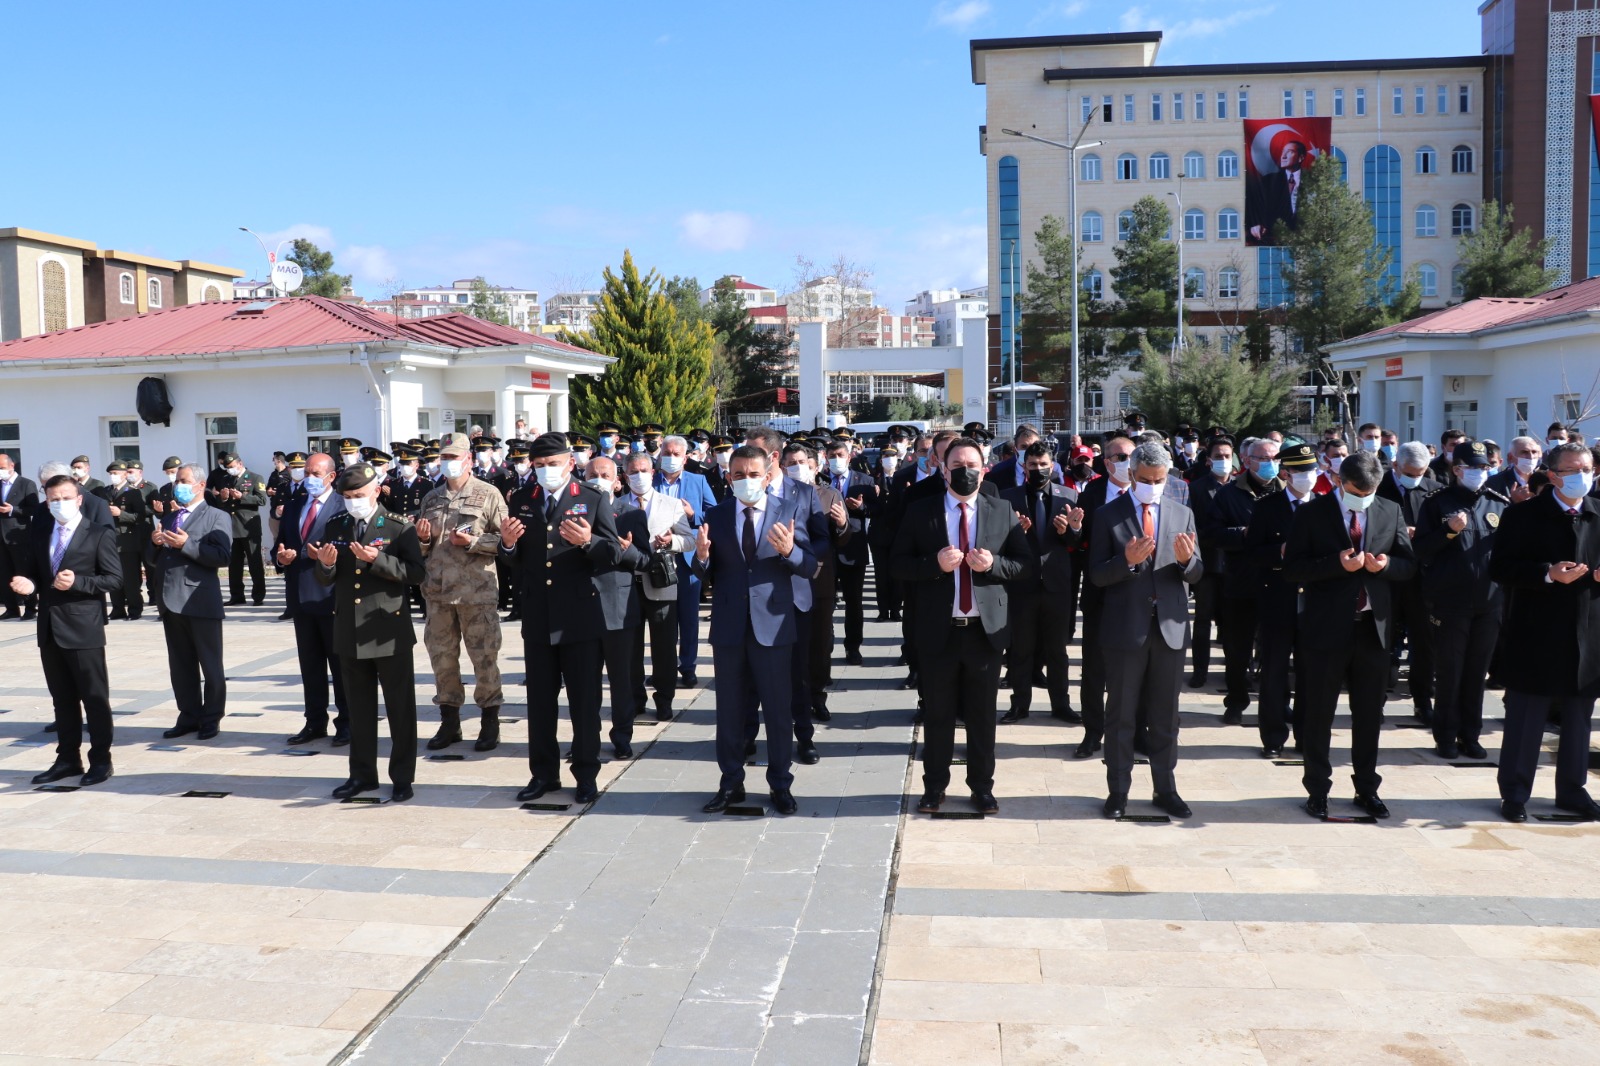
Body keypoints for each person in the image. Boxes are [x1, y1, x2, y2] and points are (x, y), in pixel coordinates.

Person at [894, 437, 1029, 816]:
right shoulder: (922, 511)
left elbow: (1024, 565)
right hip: (939, 632)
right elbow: (897, 564)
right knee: (938, 716)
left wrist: (994, 566)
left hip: (984, 633)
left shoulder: (1002, 510)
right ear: (942, 467)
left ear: (984, 468)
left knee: (982, 718)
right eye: (957, 465)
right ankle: (934, 788)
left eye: (973, 464)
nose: (965, 471)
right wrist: (933, 564)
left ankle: (981, 788)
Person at [1283, 451, 1415, 820]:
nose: (1365, 497)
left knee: (1370, 715)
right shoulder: (1312, 513)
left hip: (1373, 630)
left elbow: (1408, 565)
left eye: (1370, 491)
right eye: (1358, 490)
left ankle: (1366, 788)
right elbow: (1292, 569)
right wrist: (1335, 565)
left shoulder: (1389, 509)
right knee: (1319, 714)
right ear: (1340, 481)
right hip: (1326, 629)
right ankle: (1317, 789)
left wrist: (1387, 565)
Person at [693, 444, 815, 816]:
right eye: (739, 475)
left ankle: (781, 784)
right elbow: (706, 574)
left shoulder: (788, 510)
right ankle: (730, 783)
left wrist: (791, 550)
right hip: (730, 628)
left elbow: (810, 567)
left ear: (767, 474)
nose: (746, 481)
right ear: (729, 477)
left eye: (753, 474)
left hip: (774, 626)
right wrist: (701, 558)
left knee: (778, 712)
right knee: (729, 711)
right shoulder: (717, 513)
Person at [502, 433, 622, 804]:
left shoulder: (591, 498)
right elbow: (515, 560)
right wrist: (506, 544)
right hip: (539, 616)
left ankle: (586, 774)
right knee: (540, 703)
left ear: (570, 464)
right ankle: (543, 775)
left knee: (584, 704)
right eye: (539, 466)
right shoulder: (522, 500)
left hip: (579, 618)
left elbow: (614, 554)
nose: (545, 471)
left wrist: (589, 542)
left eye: (553, 464)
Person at [1089, 441, 1204, 820]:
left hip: (1169, 628)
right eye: (1146, 479)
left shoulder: (1182, 513)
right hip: (1126, 629)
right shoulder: (1109, 515)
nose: (1153, 485)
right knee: (1120, 713)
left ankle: (1165, 788)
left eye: (1160, 479)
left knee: (1165, 715)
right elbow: (1097, 575)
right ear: (1132, 475)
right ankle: (1118, 790)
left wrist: (1188, 562)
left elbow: (1197, 573)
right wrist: (1125, 562)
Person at [1487, 441, 1600, 822]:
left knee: (1578, 718)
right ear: (1552, 476)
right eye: (1572, 470)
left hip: (1588, 632)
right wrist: (1546, 573)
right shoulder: (1524, 516)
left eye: (1588, 468)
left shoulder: (1598, 513)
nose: (1583, 476)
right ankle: (1515, 794)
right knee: (1527, 718)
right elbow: (1500, 568)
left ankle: (1572, 790)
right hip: (1536, 630)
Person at [310, 461, 425, 802]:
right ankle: (362, 776)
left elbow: (417, 574)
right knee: (359, 710)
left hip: (388, 629)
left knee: (400, 710)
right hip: (350, 629)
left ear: (376, 491)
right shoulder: (337, 525)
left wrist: (379, 560)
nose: (353, 501)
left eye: (359, 495)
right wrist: (326, 565)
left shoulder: (398, 527)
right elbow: (327, 578)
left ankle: (402, 777)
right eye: (347, 496)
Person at [10, 473, 122, 785]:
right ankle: (68, 758)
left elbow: (115, 579)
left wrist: (80, 582)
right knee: (62, 699)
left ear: (79, 499)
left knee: (94, 697)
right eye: (54, 499)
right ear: (46, 501)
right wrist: (28, 583)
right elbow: (35, 572)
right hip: (49, 626)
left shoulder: (98, 533)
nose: (60, 504)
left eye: (66, 498)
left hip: (83, 627)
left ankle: (101, 760)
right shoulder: (42, 528)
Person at [1413, 441, 1507, 760]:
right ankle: (1446, 736)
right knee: (1451, 672)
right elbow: (1421, 550)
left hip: (1489, 604)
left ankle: (1471, 734)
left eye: (1484, 468)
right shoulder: (1437, 503)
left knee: (1476, 673)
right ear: (1457, 470)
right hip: (1450, 604)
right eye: (1473, 468)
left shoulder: (1498, 504)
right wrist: (1448, 532)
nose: (1480, 474)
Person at [146, 462, 234, 740]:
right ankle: (188, 714)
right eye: (176, 481)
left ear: (200, 485)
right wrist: (156, 543)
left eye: (183, 481)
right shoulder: (172, 516)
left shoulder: (216, 516)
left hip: (200, 599)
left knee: (210, 664)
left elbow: (221, 556)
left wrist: (188, 545)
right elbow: (153, 559)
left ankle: (211, 717)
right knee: (181, 665)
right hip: (170, 600)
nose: (178, 485)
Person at [999, 441, 1084, 724]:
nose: (1038, 470)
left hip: (1057, 585)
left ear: (1053, 466)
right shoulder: (1007, 498)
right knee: (1020, 649)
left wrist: (1071, 530)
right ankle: (1019, 704)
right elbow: (999, 543)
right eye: (1033, 465)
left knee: (1057, 651)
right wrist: (1015, 532)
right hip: (1022, 584)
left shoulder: (1068, 495)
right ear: (1024, 467)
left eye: (1043, 465)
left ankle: (1061, 704)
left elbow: (1076, 543)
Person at [1243, 441, 1316, 757]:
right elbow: (1251, 554)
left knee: (1310, 674)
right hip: (1276, 600)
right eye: (1300, 471)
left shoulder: (1324, 506)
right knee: (1273, 674)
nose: (1306, 476)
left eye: (1311, 470)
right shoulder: (1266, 506)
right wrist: (1279, 552)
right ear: (1285, 473)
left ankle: (1306, 735)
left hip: (1313, 604)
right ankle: (1273, 738)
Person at [273, 452, 350, 746]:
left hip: (331, 596)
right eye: (307, 472)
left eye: (316, 474)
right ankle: (315, 722)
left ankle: (347, 723)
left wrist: (311, 554)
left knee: (340, 666)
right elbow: (280, 545)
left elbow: (346, 548)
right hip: (301, 597)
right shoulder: (294, 506)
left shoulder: (343, 505)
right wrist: (281, 557)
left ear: (331, 477)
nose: (309, 478)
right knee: (310, 666)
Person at [1210, 436, 1281, 722]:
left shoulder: (1285, 492)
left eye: (1275, 459)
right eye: (1263, 459)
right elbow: (1212, 533)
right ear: (1248, 461)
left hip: (1278, 583)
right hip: (1241, 582)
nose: (1270, 464)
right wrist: (1242, 534)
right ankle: (1236, 700)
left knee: (1276, 649)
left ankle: (1276, 703)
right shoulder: (1228, 494)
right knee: (1237, 649)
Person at [1377, 441, 1444, 725]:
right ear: (1395, 466)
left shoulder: (1433, 489)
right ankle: (1374, 702)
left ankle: (1422, 701)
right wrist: (1400, 532)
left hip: (1421, 578)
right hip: (1386, 575)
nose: (1416, 476)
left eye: (1421, 471)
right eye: (1410, 471)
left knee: (1424, 644)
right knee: (1381, 642)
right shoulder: (1379, 488)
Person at [653, 434, 716, 688]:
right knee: (661, 620)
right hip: (657, 559)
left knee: (688, 618)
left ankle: (687, 667)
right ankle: (663, 669)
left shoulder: (698, 481)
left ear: (686, 457)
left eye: (676, 454)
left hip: (688, 559)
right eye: (666, 453)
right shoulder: (651, 481)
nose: (670, 458)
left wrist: (693, 514)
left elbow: (714, 513)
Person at [1186, 434, 1234, 687]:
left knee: (1232, 622)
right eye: (1218, 457)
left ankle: (1236, 672)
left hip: (1235, 565)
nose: (1223, 461)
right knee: (1203, 620)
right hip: (1207, 564)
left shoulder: (1240, 487)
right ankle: (1199, 672)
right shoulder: (1196, 489)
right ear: (1208, 460)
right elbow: (1191, 526)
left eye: (1227, 456)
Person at [824, 439, 874, 666]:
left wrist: (861, 508)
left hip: (853, 549)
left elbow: (877, 510)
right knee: (825, 601)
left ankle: (853, 647)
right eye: (832, 455)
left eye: (840, 455)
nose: (836, 459)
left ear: (849, 457)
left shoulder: (864, 480)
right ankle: (825, 643)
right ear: (825, 458)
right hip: (825, 550)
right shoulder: (819, 481)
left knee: (854, 601)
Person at [204, 452, 267, 607]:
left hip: (248, 526)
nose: (230, 470)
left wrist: (242, 497)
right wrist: (223, 498)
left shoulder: (255, 477)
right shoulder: (225, 479)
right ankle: (237, 595)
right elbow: (221, 504)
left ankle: (258, 596)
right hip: (231, 527)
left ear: (240, 463)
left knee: (254, 562)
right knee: (234, 564)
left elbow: (262, 500)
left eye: (232, 467)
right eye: (227, 468)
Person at [100, 461, 148, 620]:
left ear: (125, 474)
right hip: (109, 540)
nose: (113, 476)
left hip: (127, 541)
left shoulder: (133, 492)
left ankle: (135, 609)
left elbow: (140, 516)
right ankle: (117, 608)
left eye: (116, 473)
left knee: (130, 579)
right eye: (111, 473)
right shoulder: (106, 492)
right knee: (112, 577)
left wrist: (120, 514)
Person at [0, 454, 43, 620]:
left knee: (23, 572)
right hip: (1, 537)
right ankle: (11, 608)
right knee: (4, 574)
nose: (0, 472)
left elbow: (33, 509)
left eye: (2, 468)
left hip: (19, 536)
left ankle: (31, 608)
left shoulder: (26, 484)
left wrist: (13, 509)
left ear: (12, 466)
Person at [1246, 139, 1306, 244]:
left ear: (1301, 158)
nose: (1283, 156)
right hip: (1274, 240)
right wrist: (1254, 224)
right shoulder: (1268, 182)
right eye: (1283, 151)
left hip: (1306, 240)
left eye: (1290, 152)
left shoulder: (1314, 180)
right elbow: (1254, 206)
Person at [1487, 436, 1542, 505]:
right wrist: (1513, 501)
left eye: (1534, 452)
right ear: (1511, 457)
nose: (1531, 457)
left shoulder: (1545, 480)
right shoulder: (1495, 483)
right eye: (1524, 452)